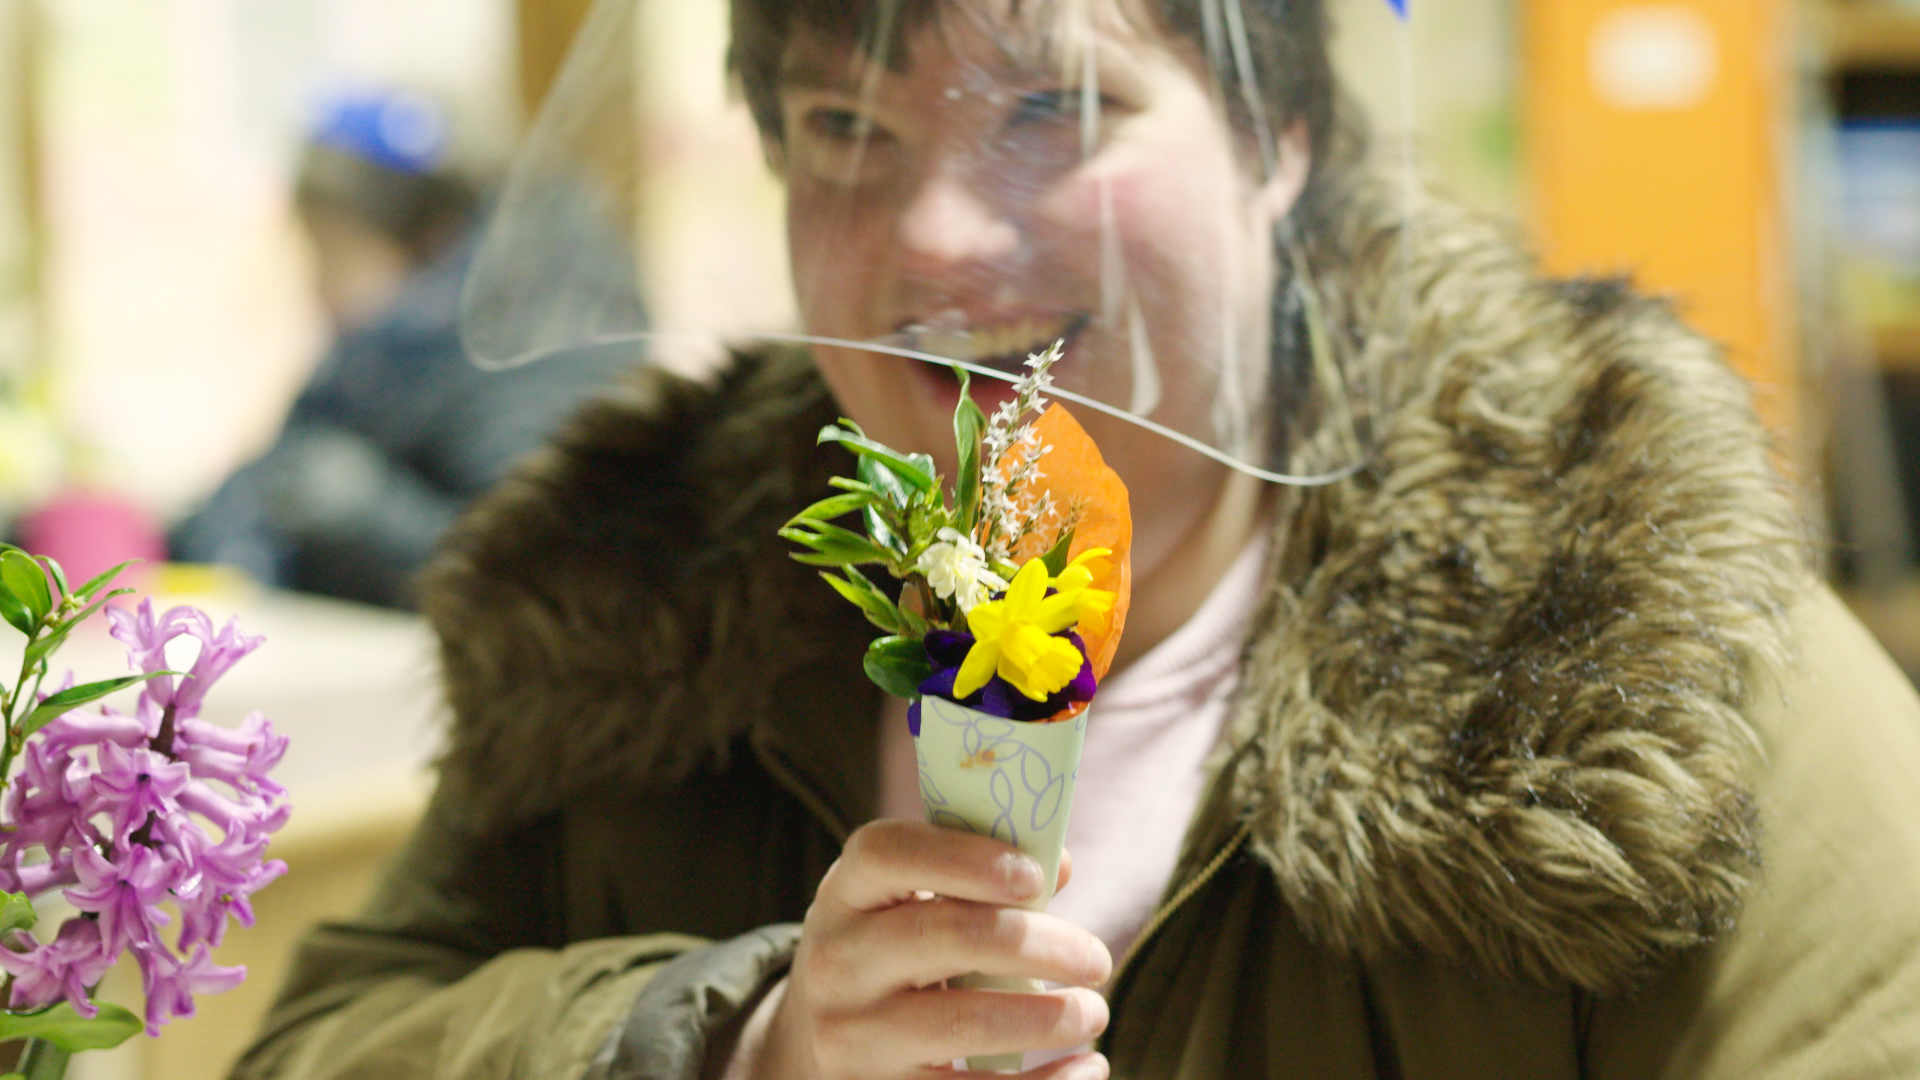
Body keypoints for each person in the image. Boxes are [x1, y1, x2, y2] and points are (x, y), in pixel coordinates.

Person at [233, 1, 1920, 1078]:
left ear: (1282, 146)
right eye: (845, 128)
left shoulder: (1642, 672)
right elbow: (321, 1046)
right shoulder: (619, 629)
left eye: (1055, 106)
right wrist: (742, 1044)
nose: (938, 239)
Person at [170, 90, 629, 609]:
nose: (318, 290)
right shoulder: (379, 364)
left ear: (429, 238)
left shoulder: (536, 349)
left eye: (333, 255)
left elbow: (540, 579)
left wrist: (374, 517)